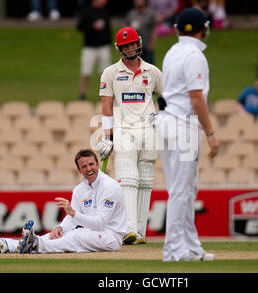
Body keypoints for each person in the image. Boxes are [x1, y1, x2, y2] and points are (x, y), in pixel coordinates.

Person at [155, 8, 219, 261]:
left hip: (167, 123)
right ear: (203, 29)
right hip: (183, 126)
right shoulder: (194, 55)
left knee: (184, 190)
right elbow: (196, 98)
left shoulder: (173, 51)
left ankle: (191, 247)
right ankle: (173, 251)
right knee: (182, 191)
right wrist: (211, 133)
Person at [0, 149, 127, 254]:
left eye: (91, 164)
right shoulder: (79, 190)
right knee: (57, 235)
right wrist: (60, 227)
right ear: (79, 169)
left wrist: (74, 213)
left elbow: (100, 223)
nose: (89, 169)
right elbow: (71, 219)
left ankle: (35, 245)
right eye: (84, 166)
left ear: (97, 164)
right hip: (92, 233)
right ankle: (7, 245)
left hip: (111, 237)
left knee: (76, 235)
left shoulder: (110, 186)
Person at [97, 27, 162, 245]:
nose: (129, 48)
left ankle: (140, 233)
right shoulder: (110, 73)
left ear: (139, 44)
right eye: (125, 46)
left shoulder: (152, 71)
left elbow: (168, 95)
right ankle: (128, 229)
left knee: (145, 181)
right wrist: (108, 135)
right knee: (127, 179)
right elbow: (106, 105)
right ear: (119, 48)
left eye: (132, 44)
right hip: (124, 129)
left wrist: (162, 116)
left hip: (148, 131)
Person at [77, 0, 111, 100]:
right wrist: (92, 27)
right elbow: (79, 26)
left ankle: (106, 94)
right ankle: (82, 93)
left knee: (105, 72)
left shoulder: (105, 12)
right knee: (86, 71)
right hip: (89, 47)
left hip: (103, 46)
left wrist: (108, 41)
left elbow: (108, 28)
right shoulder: (87, 12)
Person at [125, 0, 158, 64]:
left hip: (147, 46)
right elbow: (125, 29)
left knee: (149, 68)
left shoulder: (150, 14)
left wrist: (151, 44)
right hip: (134, 47)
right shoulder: (130, 14)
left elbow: (154, 30)